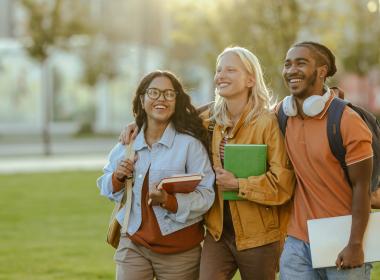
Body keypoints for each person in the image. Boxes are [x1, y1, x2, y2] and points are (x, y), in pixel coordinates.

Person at [120, 46, 295, 280]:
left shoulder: (267, 123)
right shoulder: (208, 120)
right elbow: (165, 116)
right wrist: (137, 124)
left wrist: (239, 184)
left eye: (230, 70)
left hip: (259, 236)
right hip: (217, 234)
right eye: (218, 70)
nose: (220, 75)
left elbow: (283, 185)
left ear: (251, 79)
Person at [97, 70, 215, 280]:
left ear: (176, 101)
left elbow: (207, 195)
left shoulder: (190, 145)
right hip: (133, 244)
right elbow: (104, 186)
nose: (161, 98)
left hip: (181, 253)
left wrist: (170, 201)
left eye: (169, 94)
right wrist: (117, 177)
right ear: (142, 99)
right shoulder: (128, 143)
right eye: (154, 92)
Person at [278, 41, 373, 279]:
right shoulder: (283, 113)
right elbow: (250, 110)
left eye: (301, 63)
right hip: (297, 242)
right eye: (287, 64)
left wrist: (355, 244)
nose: (291, 70)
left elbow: (362, 187)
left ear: (321, 71)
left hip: (344, 239)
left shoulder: (346, 120)